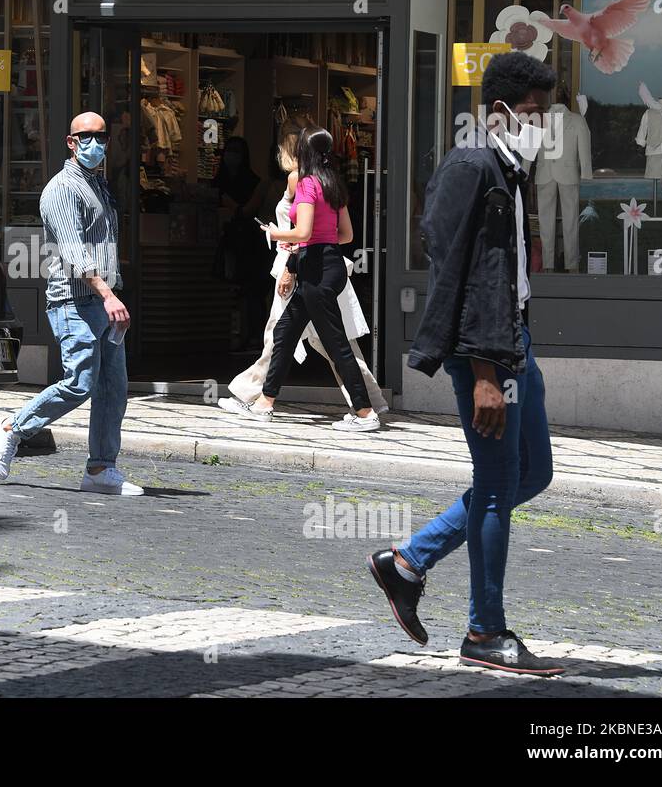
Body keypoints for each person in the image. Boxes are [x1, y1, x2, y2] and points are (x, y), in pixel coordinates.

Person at [368, 51, 563, 676]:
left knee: (532, 474)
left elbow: (503, 273)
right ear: (500, 111)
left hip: (513, 345)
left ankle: (405, 563)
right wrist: (482, 372)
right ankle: (485, 631)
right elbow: (458, 271)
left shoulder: (509, 171)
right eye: (534, 112)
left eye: (547, 113)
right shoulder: (472, 166)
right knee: (501, 485)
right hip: (487, 356)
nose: (542, 124)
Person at [0, 111, 143, 496]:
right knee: (80, 382)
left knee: (112, 387)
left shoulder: (98, 185)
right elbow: (73, 250)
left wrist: (112, 291)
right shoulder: (61, 189)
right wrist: (107, 295)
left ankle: (101, 468)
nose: (96, 143)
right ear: (71, 142)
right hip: (75, 300)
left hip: (102, 301)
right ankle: (12, 427)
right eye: (86, 136)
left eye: (102, 136)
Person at [219, 123, 388, 417]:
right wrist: (318, 239)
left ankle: (364, 411)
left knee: (335, 343)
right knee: (284, 333)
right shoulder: (333, 182)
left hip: (314, 269)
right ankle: (264, 401)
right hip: (324, 264)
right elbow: (346, 235)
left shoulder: (307, 183)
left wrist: (275, 235)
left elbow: (302, 231)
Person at [213, 135, 272, 349]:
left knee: (251, 290)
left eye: (237, 152)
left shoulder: (256, 182)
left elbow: (248, 212)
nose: (232, 157)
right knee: (240, 289)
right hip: (231, 239)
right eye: (230, 151)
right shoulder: (220, 180)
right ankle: (240, 334)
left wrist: (233, 207)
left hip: (248, 242)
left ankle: (251, 334)